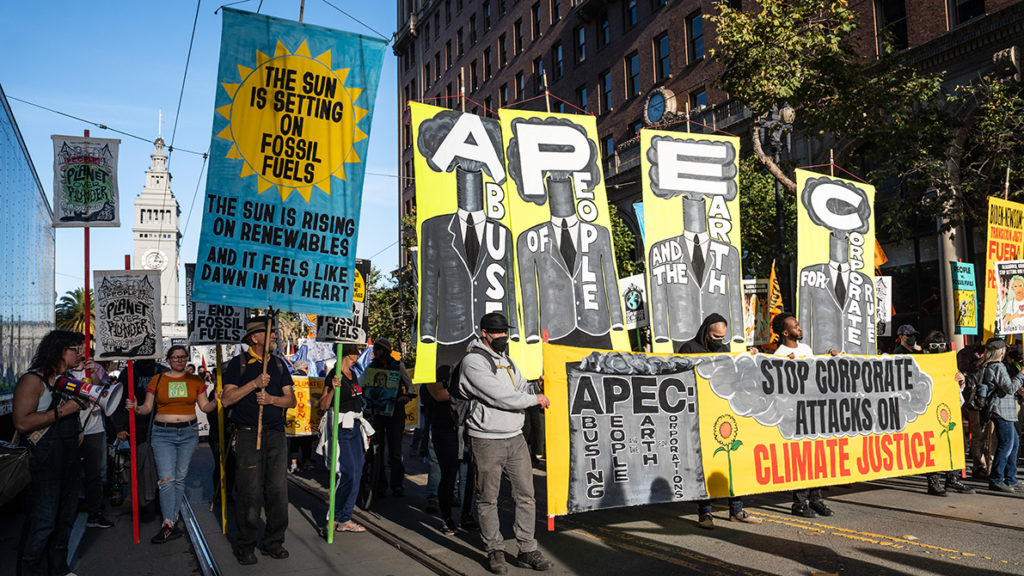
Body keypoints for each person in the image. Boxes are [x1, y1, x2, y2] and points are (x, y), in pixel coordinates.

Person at [463, 312, 554, 574]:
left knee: (526, 496)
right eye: (497, 332)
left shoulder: (507, 360)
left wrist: (535, 386)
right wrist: (535, 400)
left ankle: (527, 549)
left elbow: (519, 388)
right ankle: (495, 550)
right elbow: (501, 397)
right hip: (487, 439)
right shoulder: (473, 362)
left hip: (515, 437)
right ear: (484, 333)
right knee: (488, 498)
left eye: (504, 331)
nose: (502, 336)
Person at [221, 317, 296, 565]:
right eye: (270, 332)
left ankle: (274, 543)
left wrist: (272, 400)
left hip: (275, 433)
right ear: (255, 338)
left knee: (277, 491)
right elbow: (227, 399)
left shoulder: (278, 364)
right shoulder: (238, 364)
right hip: (247, 433)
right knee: (249, 492)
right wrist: (253, 384)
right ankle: (246, 546)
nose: (275, 335)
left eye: (274, 332)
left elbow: (290, 400)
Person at [128, 345, 218, 543]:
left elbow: (205, 406)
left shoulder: (195, 380)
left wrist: (218, 400)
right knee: (166, 480)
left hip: (189, 432)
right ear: (168, 360)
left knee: (179, 479)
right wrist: (135, 408)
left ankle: (173, 518)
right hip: (162, 434)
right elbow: (147, 408)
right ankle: (168, 523)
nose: (179, 360)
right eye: (175, 357)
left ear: (186, 359)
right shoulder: (158, 379)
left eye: (182, 357)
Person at [13, 330, 85, 576]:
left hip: (68, 457)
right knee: (43, 522)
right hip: (44, 459)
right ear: (58, 350)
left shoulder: (67, 380)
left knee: (65, 518)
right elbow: (22, 423)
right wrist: (64, 412)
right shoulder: (33, 380)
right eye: (75, 348)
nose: (81, 353)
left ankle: (58, 569)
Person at [681, 313, 762, 529]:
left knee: (731, 464)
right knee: (704, 466)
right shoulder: (688, 349)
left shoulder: (725, 350)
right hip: (699, 418)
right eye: (716, 337)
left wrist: (750, 357)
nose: (719, 341)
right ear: (706, 331)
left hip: (723, 415)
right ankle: (705, 513)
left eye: (722, 337)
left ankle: (736, 510)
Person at [771, 313, 836, 517]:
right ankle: (799, 503)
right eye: (795, 326)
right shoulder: (778, 355)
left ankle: (816, 499)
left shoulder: (806, 350)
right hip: (794, 413)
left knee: (816, 456)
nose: (799, 329)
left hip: (814, 410)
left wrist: (830, 359)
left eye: (798, 325)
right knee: (801, 458)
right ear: (785, 332)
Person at [317, 344, 370, 536]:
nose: (359, 353)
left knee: (358, 471)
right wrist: (333, 390)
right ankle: (333, 518)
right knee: (347, 472)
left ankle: (345, 518)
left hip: (355, 426)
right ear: (349, 353)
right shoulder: (333, 374)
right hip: (341, 428)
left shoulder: (353, 374)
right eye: (357, 350)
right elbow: (323, 404)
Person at [919, 331, 974, 496]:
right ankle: (934, 482)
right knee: (934, 447)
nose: (938, 349)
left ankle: (953, 478)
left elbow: (957, 391)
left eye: (941, 345)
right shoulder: (922, 363)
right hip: (930, 412)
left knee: (955, 445)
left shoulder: (950, 364)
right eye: (933, 346)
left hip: (950, 411)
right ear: (927, 347)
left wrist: (961, 381)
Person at [361, 337, 414, 498]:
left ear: (385, 351)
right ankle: (380, 484)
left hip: (395, 412)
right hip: (377, 412)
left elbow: (410, 385)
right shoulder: (370, 368)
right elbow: (361, 383)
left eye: (377, 349)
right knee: (377, 450)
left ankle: (397, 485)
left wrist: (407, 396)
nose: (374, 353)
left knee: (395, 450)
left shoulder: (398, 366)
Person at [68, 354, 115, 529]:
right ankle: (75, 505)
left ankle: (94, 512)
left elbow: (102, 391)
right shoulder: (64, 372)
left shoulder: (96, 368)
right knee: (71, 472)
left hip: (94, 427)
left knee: (95, 472)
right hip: (72, 429)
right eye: (75, 347)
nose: (79, 350)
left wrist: (93, 373)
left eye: (81, 346)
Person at [976, 337, 1023, 492]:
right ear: (1001, 351)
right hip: (1001, 410)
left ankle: (1011, 478)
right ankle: (996, 480)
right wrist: (1022, 374)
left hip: (1003, 411)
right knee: (1007, 445)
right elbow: (1009, 388)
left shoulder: (991, 366)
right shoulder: (998, 367)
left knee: (1013, 444)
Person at [427, 366, 461, 534]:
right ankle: (446, 517)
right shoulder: (433, 365)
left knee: (469, 475)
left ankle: (467, 515)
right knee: (447, 473)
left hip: (468, 426)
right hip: (444, 426)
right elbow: (438, 394)